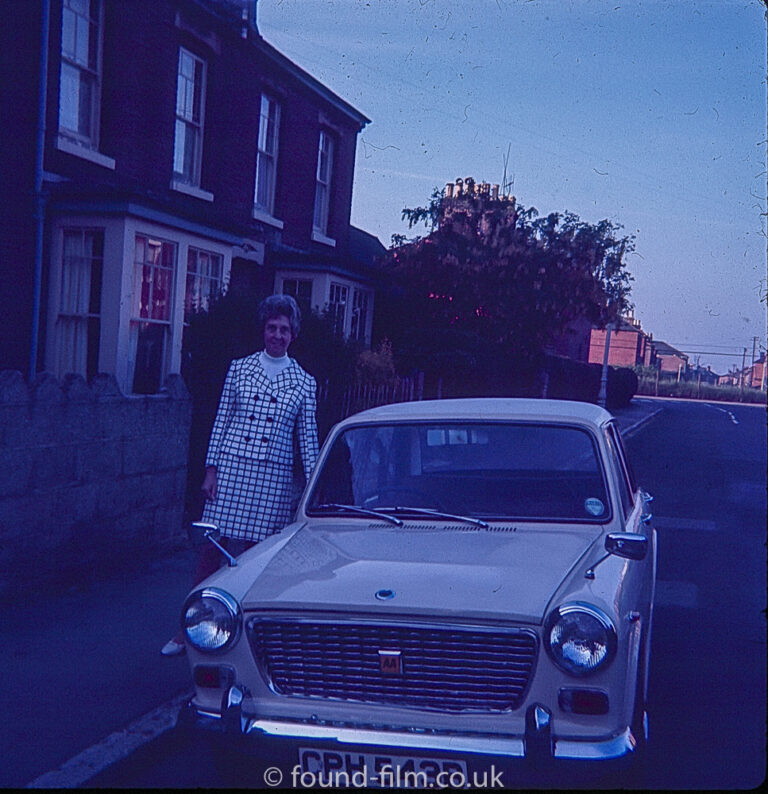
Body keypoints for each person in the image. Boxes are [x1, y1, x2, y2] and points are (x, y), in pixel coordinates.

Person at [161, 294, 319, 655]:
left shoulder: (304, 382)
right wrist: (211, 470)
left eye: (284, 329)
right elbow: (222, 422)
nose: (277, 335)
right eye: (271, 328)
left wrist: (312, 487)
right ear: (263, 330)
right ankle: (187, 630)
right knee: (211, 552)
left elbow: (307, 439)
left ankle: (242, 636)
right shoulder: (240, 368)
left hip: (273, 479)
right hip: (233, 470)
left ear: (293, 334)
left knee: (255, 561)